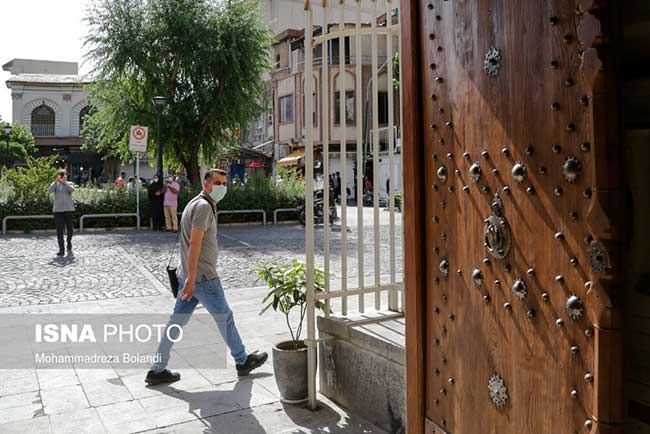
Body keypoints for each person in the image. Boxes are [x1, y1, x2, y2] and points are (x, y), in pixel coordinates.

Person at [145, 169, 268, 385]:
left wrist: (188, 278)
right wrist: (192, 279)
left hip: (190, 276)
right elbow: (195, 243)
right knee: (225, 317)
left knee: (177, 321)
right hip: (202, 278)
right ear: (206, 184)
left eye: (224, 183)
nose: (222, 187)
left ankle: (157, 368)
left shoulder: (196, 203)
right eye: (217, 183)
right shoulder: (203, 207)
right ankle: (242, 360)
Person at [48, 169, 75, 256]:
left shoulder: (69, 183)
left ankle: (69, 242)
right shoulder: (55, 184)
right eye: (61, 175)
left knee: (70, 229)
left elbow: (72, 190)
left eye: (64, 175)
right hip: (58, 211)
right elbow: (50, 190)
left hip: (69, 209)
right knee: (59, 230)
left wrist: (65, 183)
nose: (62, 176)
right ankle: (61, 249)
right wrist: (56, 182)